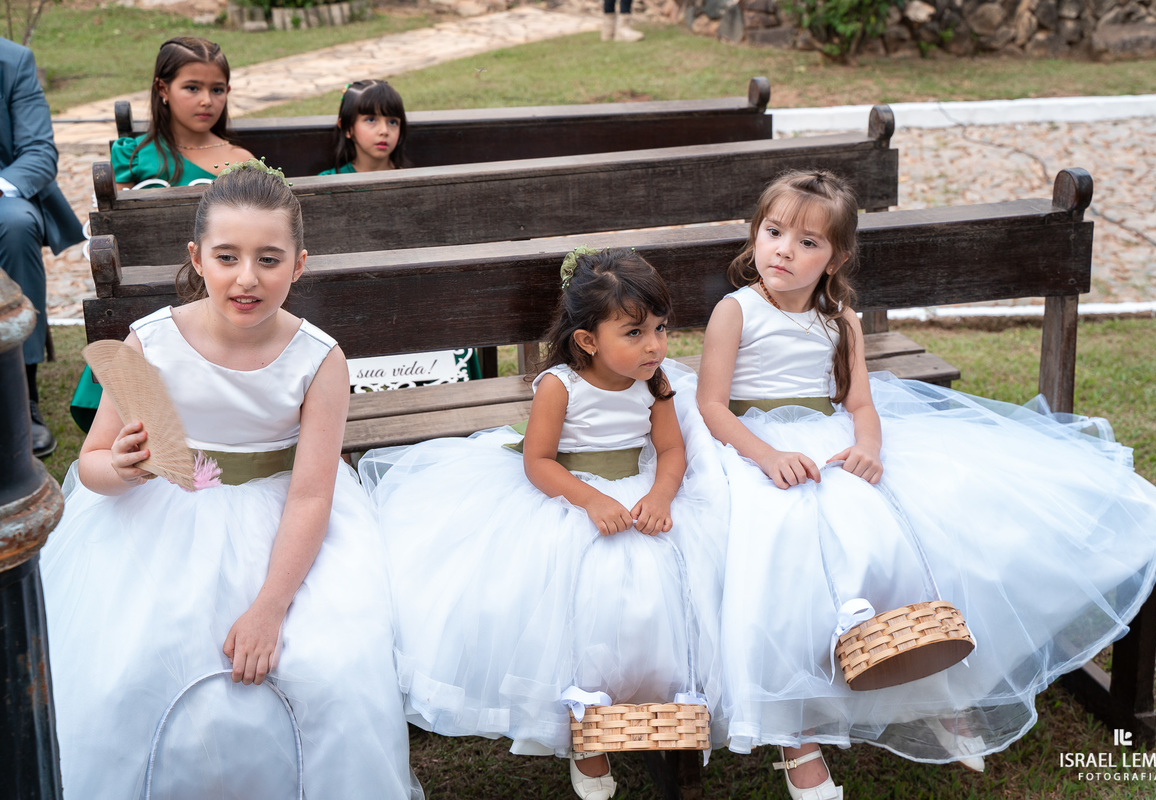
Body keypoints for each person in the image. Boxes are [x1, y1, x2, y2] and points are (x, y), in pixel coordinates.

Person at [694, 169, 1156, 799]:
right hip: (754, 444)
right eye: (774, 232)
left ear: (836, 257)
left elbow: (861, 404)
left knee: (916, 534)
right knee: (787, 550)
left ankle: (934, 688)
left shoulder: (840, 319)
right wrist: (766, 455)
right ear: (755, 235)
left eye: (808, 242)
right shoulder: (735, 311)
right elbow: (712, 407)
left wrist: (868, 447)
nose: (785, 250)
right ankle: (798, 735)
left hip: (831, 438)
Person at [39, 162, 423, 800]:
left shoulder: (319, 360)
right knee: (130, 667)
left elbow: (310, 494)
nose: (247, 278)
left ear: (298, 264)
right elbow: (92, 465)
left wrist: (270, 609)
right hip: (159, 523)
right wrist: (124, 469)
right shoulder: (151, 343)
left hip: (283, 531)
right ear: (197, 258)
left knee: (332, 672)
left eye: (269, 259)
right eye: (227, 256)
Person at [359, 248, 726, 800]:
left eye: (660, 329)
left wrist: (662, 493)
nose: (655, 345)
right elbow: (539, 462)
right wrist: (590, 501)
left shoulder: (656, 382)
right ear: (587, 340)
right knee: (580, 600)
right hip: (570, 499)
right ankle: (587, 729)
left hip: (640, 494)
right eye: (635, 333)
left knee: (658, 595)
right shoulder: (561, 385)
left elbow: (671, 450)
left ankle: (656, 707)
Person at [1, 37, 86, 458]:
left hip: (4, 197)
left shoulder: (13, 61)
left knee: (14, 226)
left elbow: (37, 152)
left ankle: (22, 393)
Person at [110, 36, 254, 190]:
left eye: (217, 90)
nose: (207, 101)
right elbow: (112, 213)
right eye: (192, 88)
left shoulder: (242, 163)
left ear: (227, 91)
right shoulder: (133, 156)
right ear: (163, 89)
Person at [319, 79, 407, 175]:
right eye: (371, 120)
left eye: (393, 122)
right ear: (347, 128)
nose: (384, 131)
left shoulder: (412, 182)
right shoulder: (328, 184)